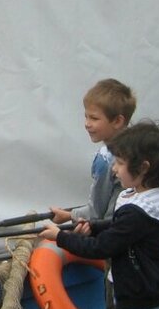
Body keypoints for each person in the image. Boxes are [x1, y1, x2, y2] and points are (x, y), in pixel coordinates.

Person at [38, 120, 159, 309]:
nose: (114, 169)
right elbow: (119, 228)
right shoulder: (148, 201)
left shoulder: (138, 212)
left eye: (120, 163)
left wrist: (60, 236)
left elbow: (102, 247)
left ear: (143, 168)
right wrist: (92, 226)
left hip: (141, 303)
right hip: (144, 295)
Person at [49, 78, 135, 226]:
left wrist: (69, 216)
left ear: (117, 121)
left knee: (48, 244)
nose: (87, 124)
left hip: (110, 232)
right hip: (131, 226)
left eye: (94, 118)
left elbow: (96, 213)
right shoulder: (139, 145)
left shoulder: (105, 158)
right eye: (86, 116)